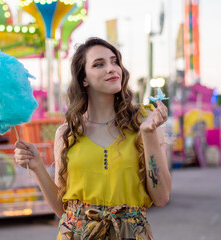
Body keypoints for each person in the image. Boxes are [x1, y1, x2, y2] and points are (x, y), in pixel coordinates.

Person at [14, 37, 171, 240]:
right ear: (84, 79)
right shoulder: (67, 133)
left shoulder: (144, 123)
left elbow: (161, 197)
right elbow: (64, 210)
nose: (111, 68)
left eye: (115, 62)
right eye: (99, 64)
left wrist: (148, 134)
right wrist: (36, 166)